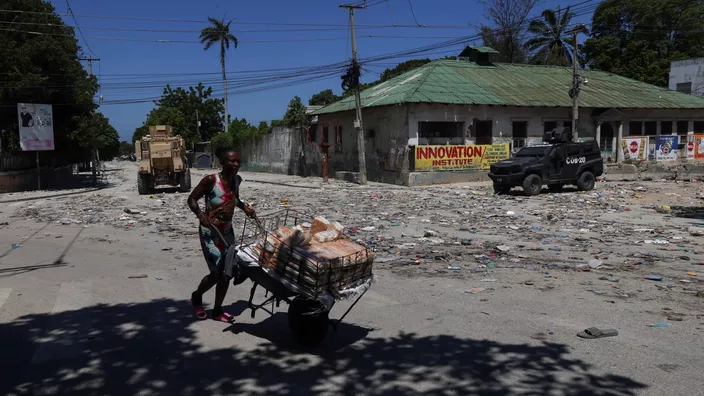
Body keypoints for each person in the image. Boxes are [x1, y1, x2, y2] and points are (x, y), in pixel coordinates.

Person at [187, 148, 255, 322]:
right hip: (210, 233)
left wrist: (245, 207)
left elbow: (234, 199)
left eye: (238, 161)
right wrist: (200, 215)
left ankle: (217, 311)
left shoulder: (236, 180)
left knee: (227, 272)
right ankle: (196, 296)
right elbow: (192, 199)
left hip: (227, 232)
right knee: (217, 273)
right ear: (223, 163)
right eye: (232, 161)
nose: (236, 164)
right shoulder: (211, 180)